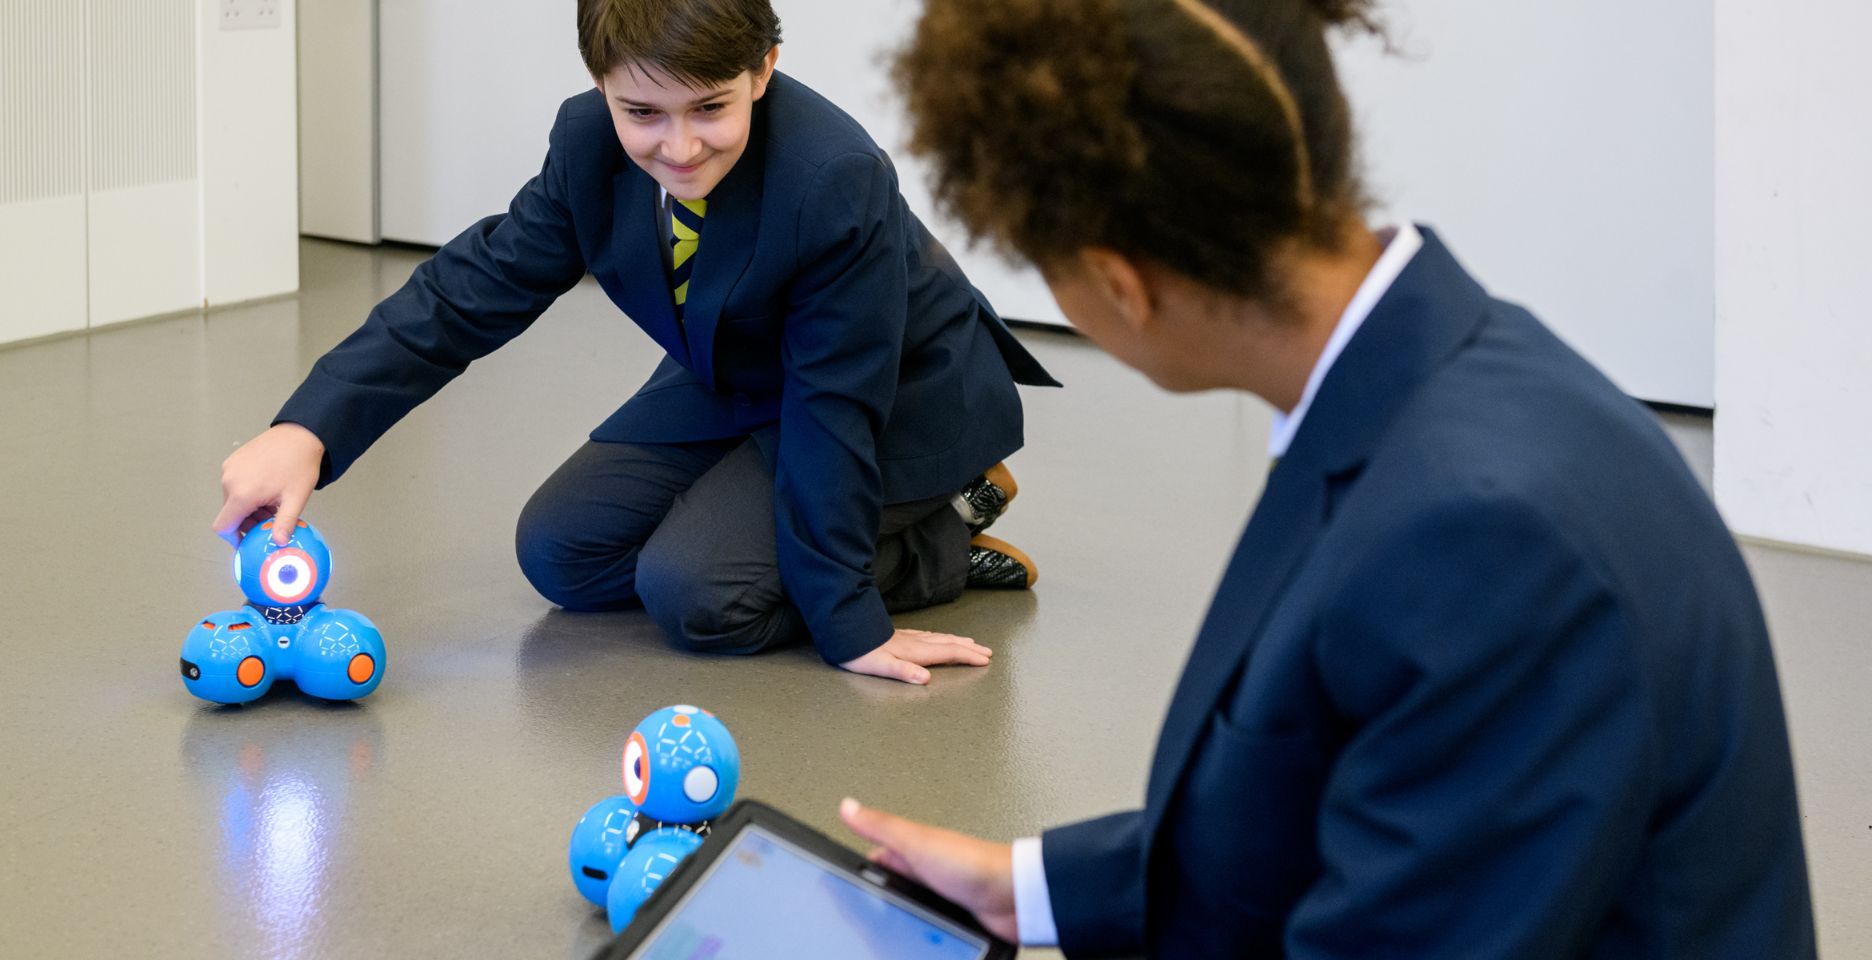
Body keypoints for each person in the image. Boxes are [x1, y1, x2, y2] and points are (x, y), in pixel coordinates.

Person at [842, 0, 1816, 954]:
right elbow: (1341, 793)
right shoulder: (1442, 378)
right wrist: (1033, 891)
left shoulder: (1486, 542)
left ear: (1120, 286)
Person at [211, 0, 1059, 685]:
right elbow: (470, 290)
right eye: (642, 112)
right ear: (601, 83)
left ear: (763, 69)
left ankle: (946, 526)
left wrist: (849, 624)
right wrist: (308, 429)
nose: (679, 148)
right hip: (739, 368)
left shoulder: (832, 175)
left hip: (899, 393)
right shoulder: (586, 144)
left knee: (700, 596)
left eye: (711, 108)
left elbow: (835, 406)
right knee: (562, 554)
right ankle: (769, 527)